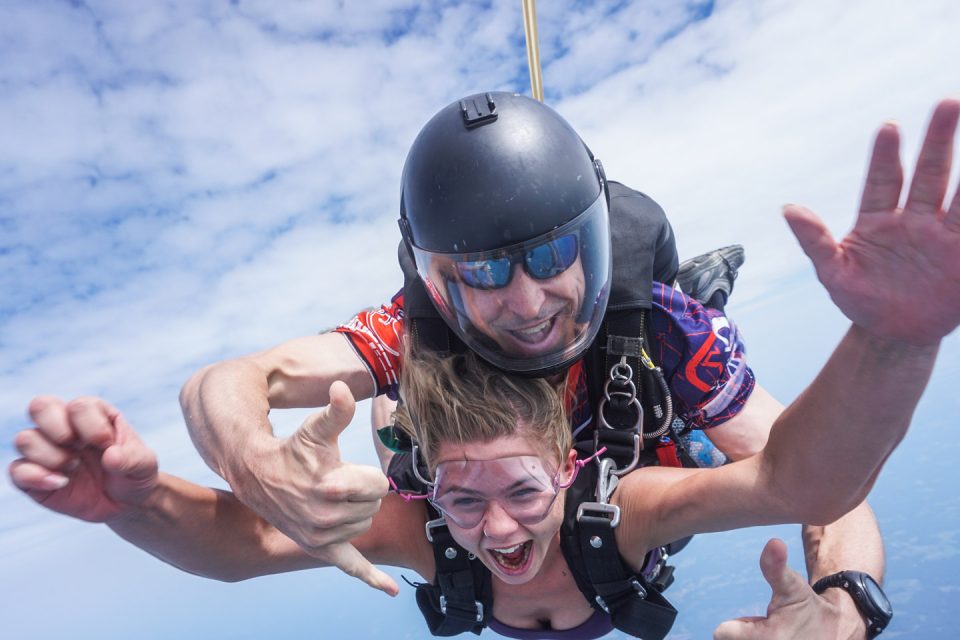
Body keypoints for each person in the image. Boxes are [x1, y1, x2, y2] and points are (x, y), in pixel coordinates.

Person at [11, 99, 960, 636]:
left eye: (552, 256)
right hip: (516, 459)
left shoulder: (653, 332)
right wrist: (252, 471)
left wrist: (844, 609)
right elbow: (230, 385)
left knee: (700, 433)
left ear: (591, 241)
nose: (526, 300)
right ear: (435, 281)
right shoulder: (415, 348)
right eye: (481, 274)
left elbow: (818, 484)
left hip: (640, 432)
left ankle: (708, 287)